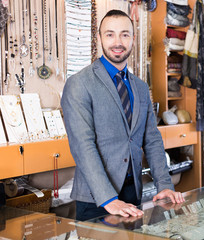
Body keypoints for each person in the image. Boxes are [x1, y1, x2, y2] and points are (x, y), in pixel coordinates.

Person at [61, 9, 184, 221]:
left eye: (124, 34)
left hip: (132, 193)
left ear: (133, 39)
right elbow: (83, 146)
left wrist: (164, 185)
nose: (118, 41)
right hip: (96, 198)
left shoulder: (141, 87)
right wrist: (108, 199)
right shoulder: (79, 84)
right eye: (110, 34)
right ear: (99, 38)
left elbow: (152, 140)